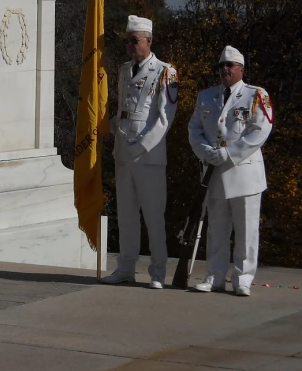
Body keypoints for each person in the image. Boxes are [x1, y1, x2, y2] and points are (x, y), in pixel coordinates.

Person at [188, 46, 273, 296]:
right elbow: (194, 129)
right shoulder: (206, 96)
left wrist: (230, 153)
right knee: (216, 228)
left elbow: (260, 131)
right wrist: (205, 151)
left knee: (246, 230)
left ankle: (243, 279)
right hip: (214, 171)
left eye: (230, 65)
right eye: (222, 65)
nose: (225, 69)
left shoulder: (256, 95)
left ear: (241, 69)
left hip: (244, 172)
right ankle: (214, 275)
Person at [102, 15, 179, 289]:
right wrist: (104, 128)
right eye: (127, 42)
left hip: (149, 157)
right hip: (123, 152)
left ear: (148, 41)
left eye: (134, 41)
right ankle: (125, 268)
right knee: (126, 214)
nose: (130, 46)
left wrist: (143, 146)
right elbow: (124, 111)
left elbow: (164, 118)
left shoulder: (164, 72)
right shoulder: (124, 70)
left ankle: (157, 272)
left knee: (153, 215)